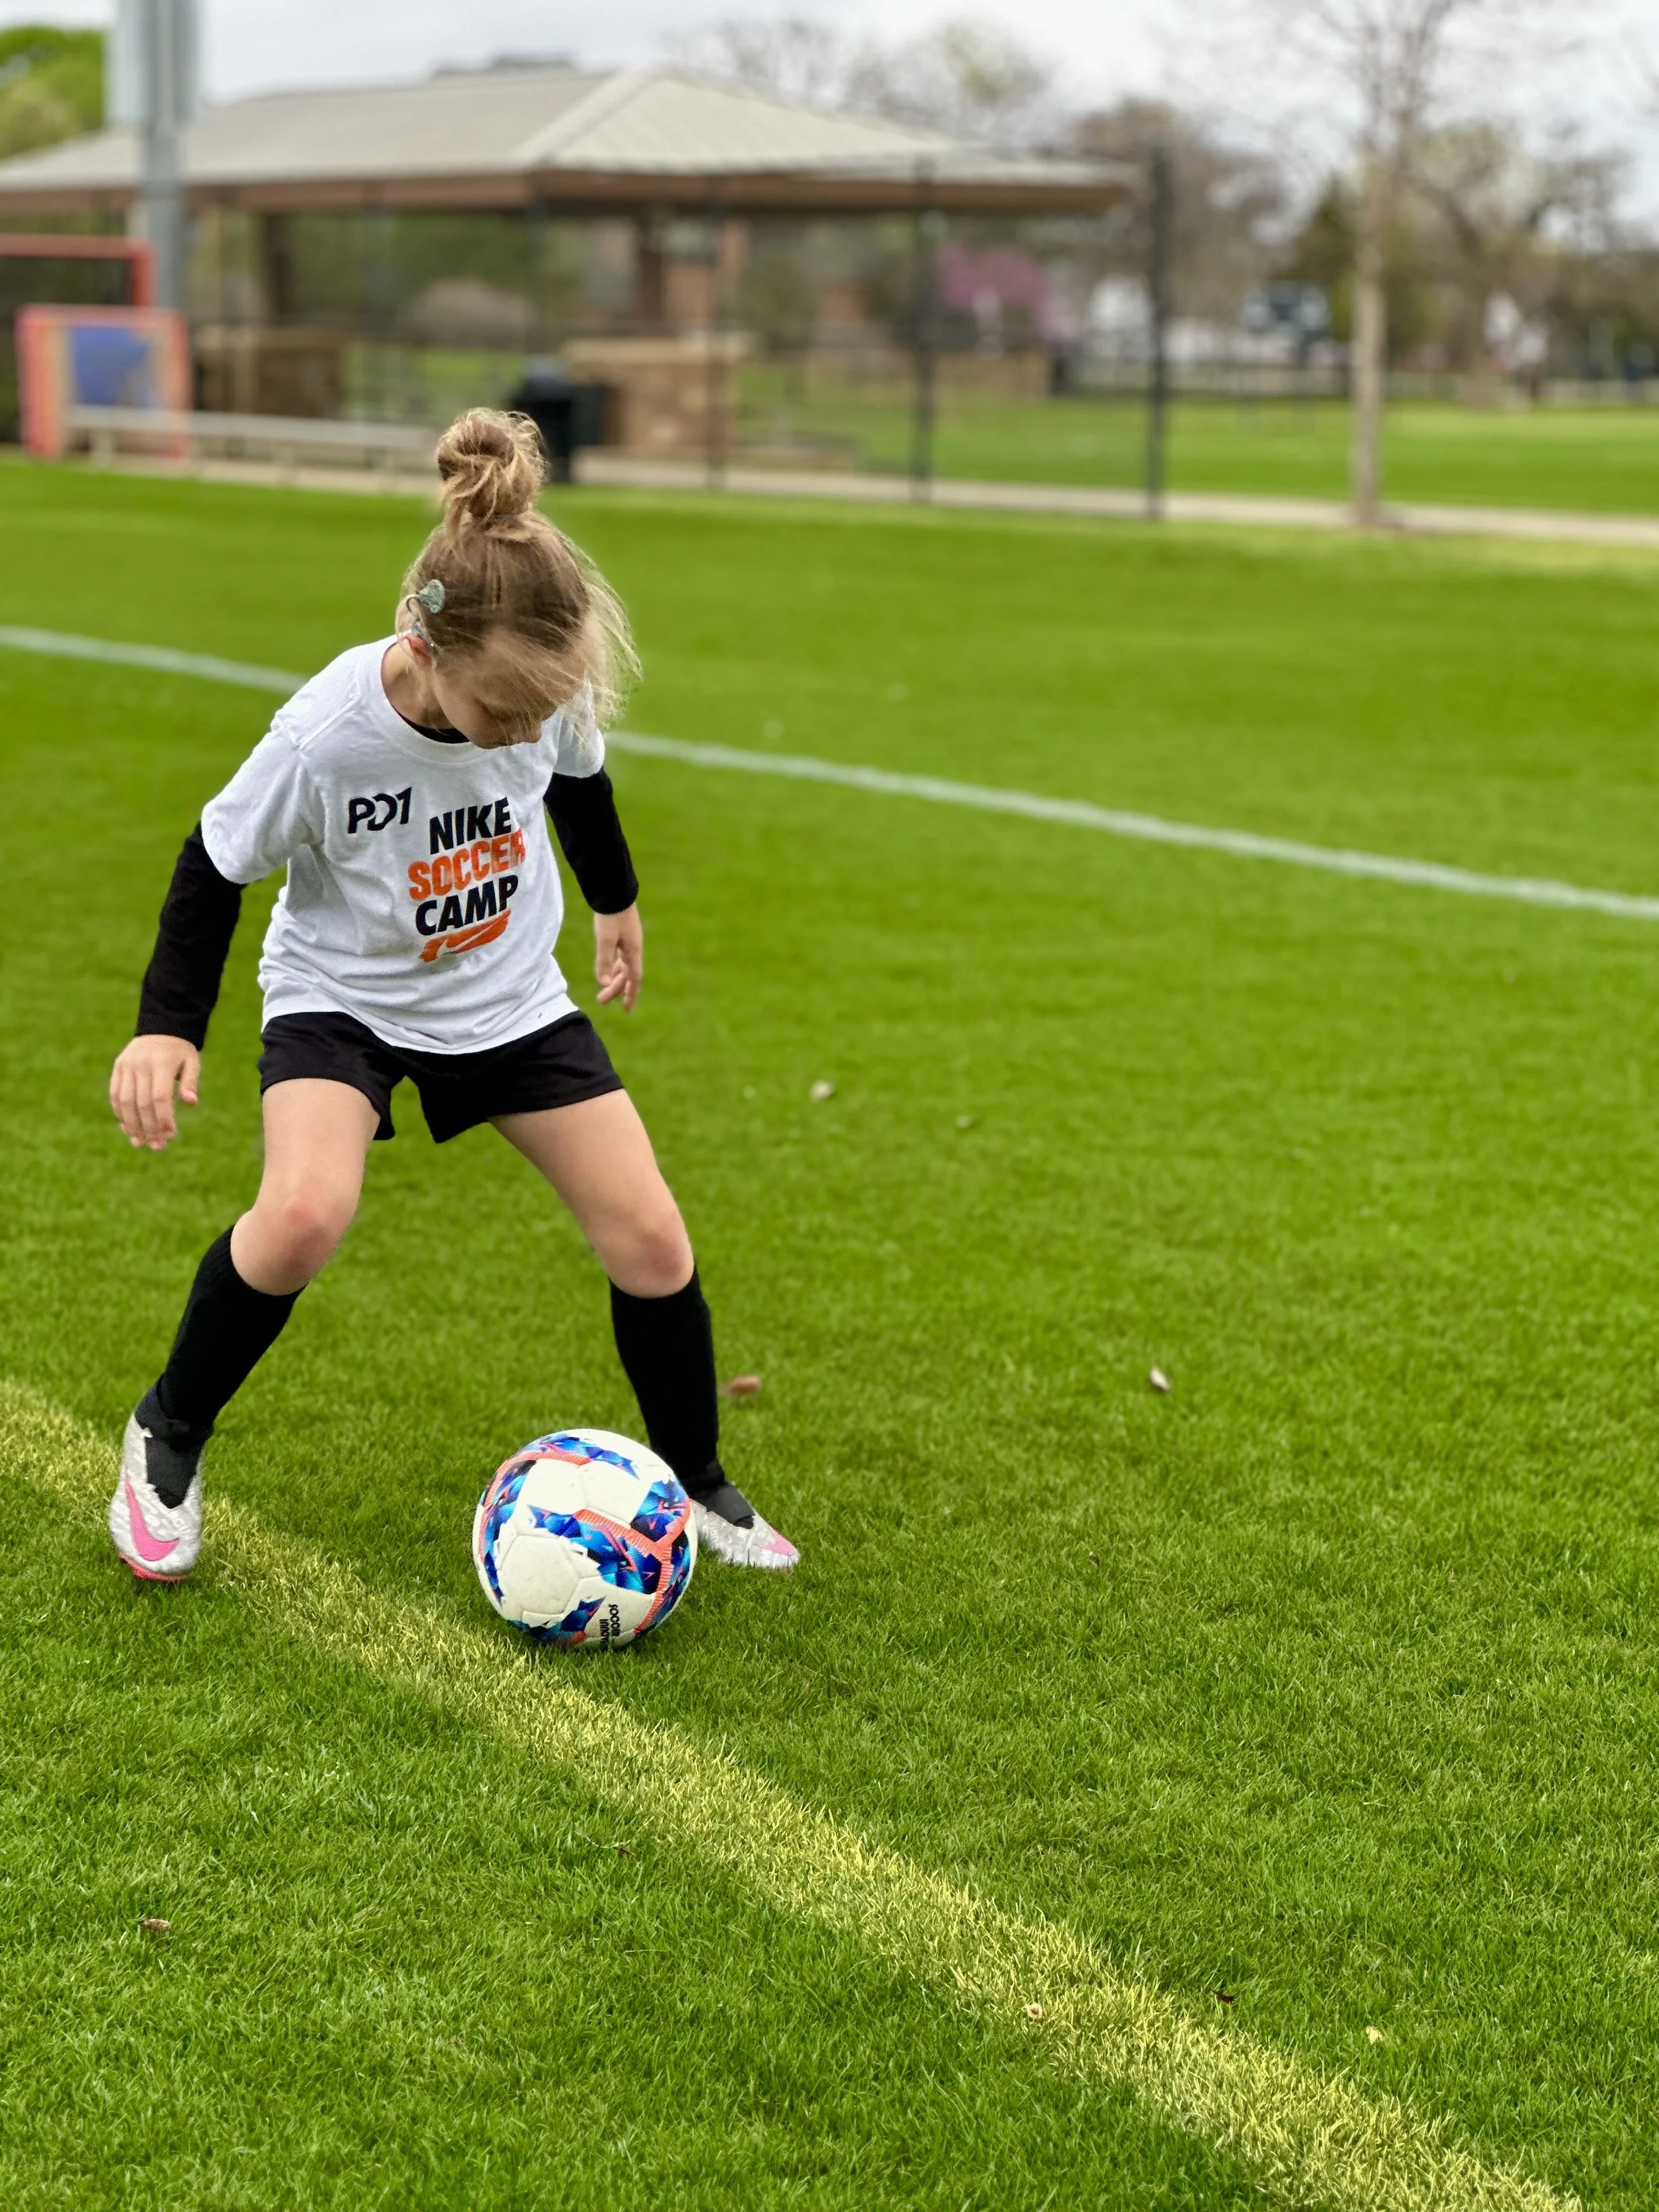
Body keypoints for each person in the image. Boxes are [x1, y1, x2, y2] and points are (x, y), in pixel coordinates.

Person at [106, 408, 798, 1585]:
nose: (526, 734)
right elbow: (215, 862)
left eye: (541, 714)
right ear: (426, 652)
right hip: (344, 998)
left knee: (651, 1236)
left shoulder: (538, 692)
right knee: (306, 1213)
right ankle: (166, 1435)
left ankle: (696, 1479)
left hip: (509, 993)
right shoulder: (328, 736)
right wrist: (166, 1027)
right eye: (505, 717)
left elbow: (581, 785)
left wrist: (616, 902)